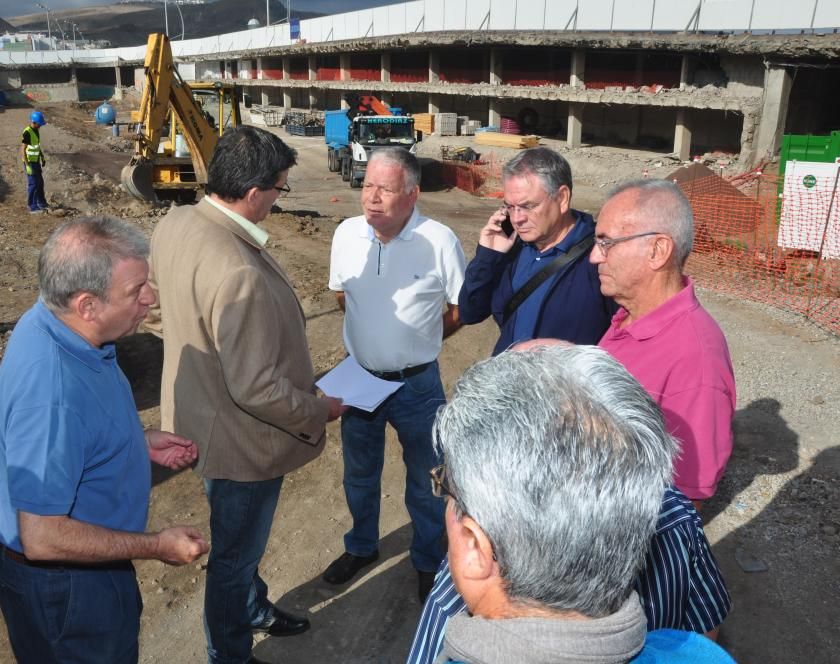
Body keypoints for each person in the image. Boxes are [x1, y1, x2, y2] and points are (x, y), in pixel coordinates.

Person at [146, 125, 344, 664]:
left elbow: (167, 310)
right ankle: (228, 652)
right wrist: (318, 409)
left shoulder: (178, 221)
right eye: (280, 189)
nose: (280, 200)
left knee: (235, 542)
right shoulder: (239, 269)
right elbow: (256, 388)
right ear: (254, 193)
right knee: (234, 556)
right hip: (241, 442)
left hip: (195, 415)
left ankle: (252, 608)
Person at [408, 341, 732, 664]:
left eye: (448, 484)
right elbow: (706, 620)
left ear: (475, 546)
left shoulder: (463, 581)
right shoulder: (698, 653)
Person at [0, 217, 209, 663]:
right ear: (87, 304)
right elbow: (44, 536)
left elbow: (75, 435)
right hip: (67, 586)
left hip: (77, 572)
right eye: (136, 292)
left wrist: (132, 441)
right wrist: (156, 545)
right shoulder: (51, 393)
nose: (149, 299)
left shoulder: (56, 322)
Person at [324, 148, 466, 602]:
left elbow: (460, 308)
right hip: (360, 378)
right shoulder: (346, 233)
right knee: (358, 474)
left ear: (412, 193)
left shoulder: (440, 240)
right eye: (367, 186)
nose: (372, 198)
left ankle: (426, 560)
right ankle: (362, 546)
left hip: (418, 385)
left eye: (385, 189)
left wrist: (418, 341)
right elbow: (342, 295)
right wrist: (373, 341)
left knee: (426, 480)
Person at [592, 180, 736, 503]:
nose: (593, 257)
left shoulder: (696, 360)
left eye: (606, 243)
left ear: (657, 250)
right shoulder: (626, 318)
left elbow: (684, 504)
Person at [458, 147, 615, 355]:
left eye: (528, 206)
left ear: (562, 198)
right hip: (510, 380)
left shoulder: (600, 257)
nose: (516, 219)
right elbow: (470, 312)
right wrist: (487, 256)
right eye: (510, 207)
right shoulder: (510, 247)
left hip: (568, 386)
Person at [21, 110, 50, 213]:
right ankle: (32, 206)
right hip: (29, 162)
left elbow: (36, 146)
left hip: (36, 161)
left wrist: (42, 157)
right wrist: (27, 165)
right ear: (34, 122)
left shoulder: (36, 131)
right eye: (39, 124)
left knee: (40, 183)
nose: (40, 126)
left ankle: (42, 202)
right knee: (33, 184)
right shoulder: (27, 132)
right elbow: (23, 150)